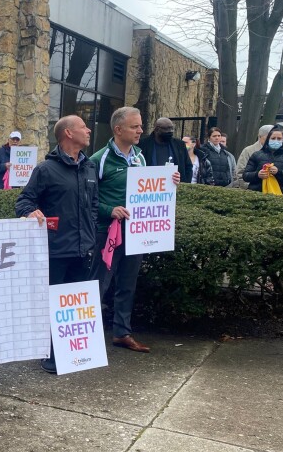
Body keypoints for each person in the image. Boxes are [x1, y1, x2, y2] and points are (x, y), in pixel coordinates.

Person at [90, 106, 180, 353]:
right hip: (107, 233)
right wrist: (110, 210)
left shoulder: (140, 157)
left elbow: (148, 190)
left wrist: (168, 183)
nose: (141, 130)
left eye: (140, 125)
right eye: (135, 126)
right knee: (99, 284)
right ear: (118, 129)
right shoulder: (99, 160)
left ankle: (122, 333)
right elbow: (87, 199)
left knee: (127, 284)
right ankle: (89, 338)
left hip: (136, 232)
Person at [15, 115, 98, 373]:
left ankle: (77, 353)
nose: (89, 130)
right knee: (54, 303)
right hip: (56, 250)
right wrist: (31, 213)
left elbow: (93, 205)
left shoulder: (90, 167)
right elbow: (24, 201)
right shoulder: (45, 170)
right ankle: (51, 354)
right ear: (68, 134)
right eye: (83, 127)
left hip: (85, 249)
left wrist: (92, 231)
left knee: (78, 303)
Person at [243, 125, 283, 194]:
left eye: (279, 139)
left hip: (278, 194)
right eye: (273, 138)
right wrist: (257, 174)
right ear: (268, 139)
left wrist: (278, 172)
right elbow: (245, 176)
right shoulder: (256, 155)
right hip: (256, 193)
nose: (276, 140)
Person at [138, 118, 191, 184]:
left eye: (171, 128)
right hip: (148, 185)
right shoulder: (142, 144)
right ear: (157, 129)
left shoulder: (179, 144)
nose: (170, 131)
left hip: (174, 186)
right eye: (166, 129)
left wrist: (185, 185)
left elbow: (188, 166)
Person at [234, 124, 273, 189]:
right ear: (260, 137)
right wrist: (249, 187)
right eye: (268, 138)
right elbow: (240, 172)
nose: (271, 140)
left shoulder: (278, 151)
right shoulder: (248, 151)